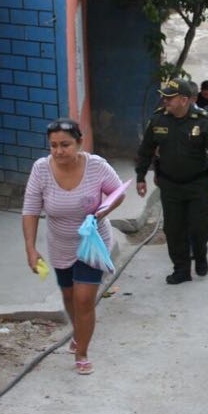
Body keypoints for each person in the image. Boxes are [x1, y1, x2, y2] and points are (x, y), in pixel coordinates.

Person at [22, 118, 125, 376]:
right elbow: (31, 210)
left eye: (65, 145)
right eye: (53, 145)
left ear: (79, 143)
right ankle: (78, 333)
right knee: (69, 296)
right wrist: (31, 248)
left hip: (92, 243)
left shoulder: (97, 167)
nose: (58, 151)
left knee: (84, 299)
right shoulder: (41, 170)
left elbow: (118, 192)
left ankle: (82, 353)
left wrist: (102, 212)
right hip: (60, 244)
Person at [136, 78, 208, 284]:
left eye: (170, 98)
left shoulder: (203, 120)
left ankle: (200, 255)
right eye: (164, 97)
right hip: (170, 184)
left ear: (184, 100)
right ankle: (181, 269)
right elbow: (145, 151)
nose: (165, 101)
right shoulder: (158, 120)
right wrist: (140, 177)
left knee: (200, 227)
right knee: (173, 229)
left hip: (197, 183)